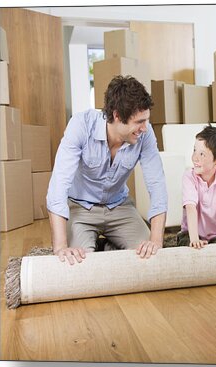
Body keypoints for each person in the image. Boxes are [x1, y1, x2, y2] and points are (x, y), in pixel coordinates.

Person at [46, 75, 168, 264]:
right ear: (117, 115)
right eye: (139, 122)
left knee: (149, 256)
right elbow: (58, 185)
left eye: (146, 120)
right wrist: (60, 247)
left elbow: (157, 184)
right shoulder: (81, 125)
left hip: (119, 206)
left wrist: (156, 241)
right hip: (80, 208)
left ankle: (109, 246)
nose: (144, 128)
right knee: (77, 262)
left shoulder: (146, 133)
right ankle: (101, 245)